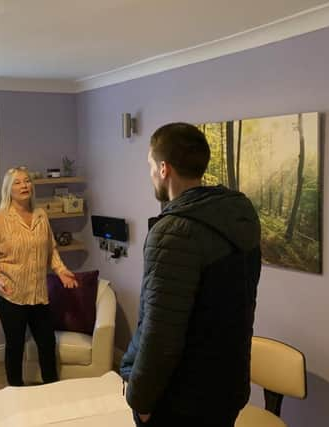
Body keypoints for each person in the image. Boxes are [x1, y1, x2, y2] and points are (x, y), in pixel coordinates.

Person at [120, 123, 261, 427]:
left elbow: (160, 332)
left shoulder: (173, 233)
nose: (150, 174)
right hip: (226, 388)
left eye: (149, 166)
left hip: (182, 400)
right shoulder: (240, 214)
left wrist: (142, 400)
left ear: (163, 168)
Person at [0, 166, 77, 386]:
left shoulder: (41, 214)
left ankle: (51, 388)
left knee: (46, 342)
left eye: (27, 181)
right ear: (8, 189)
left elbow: (51, 249)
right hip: (9, 294)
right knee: (15, 346)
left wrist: (61, 271)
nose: (24, 186)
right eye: (17, 182)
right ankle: (16, 391)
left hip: (38, 294)